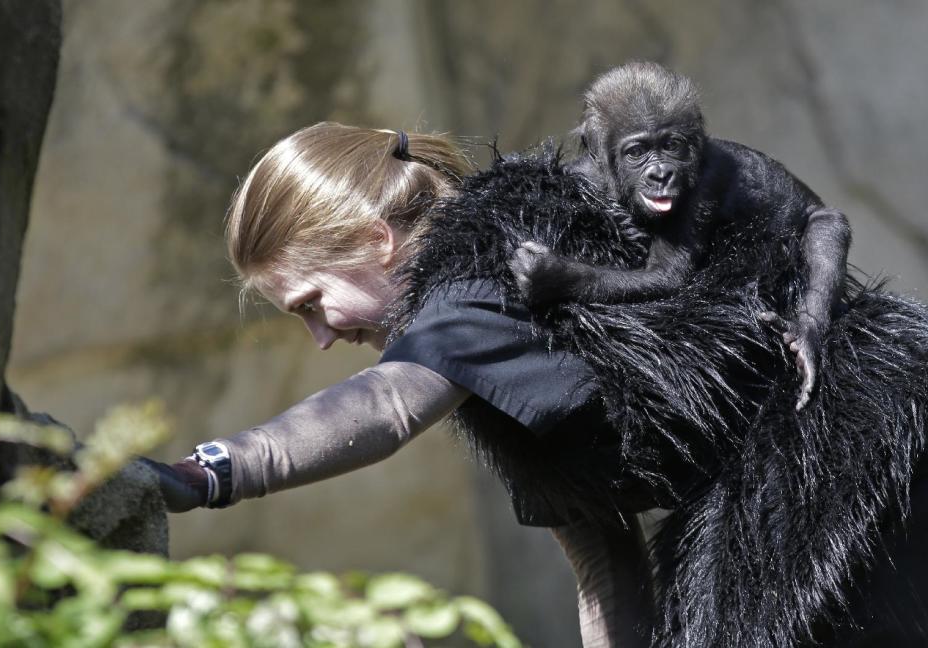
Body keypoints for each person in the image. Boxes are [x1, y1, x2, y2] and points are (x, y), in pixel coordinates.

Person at [147, 122, 655, 648]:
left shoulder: (481, 281)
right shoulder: (491, 335)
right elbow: (603, 550)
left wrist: (209, 473)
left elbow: (387, 404)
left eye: (312, 304)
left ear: (376, 239)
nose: (320, 338)